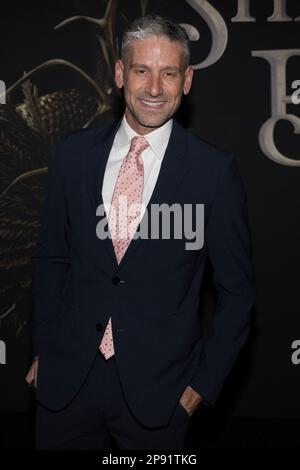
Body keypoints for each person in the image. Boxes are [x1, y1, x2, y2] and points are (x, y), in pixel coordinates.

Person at [26, 14, 256, 450]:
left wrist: (204, 385)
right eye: (141, 70)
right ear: (119, 74)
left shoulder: (213, 171)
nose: (154, 88)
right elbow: (52, 256)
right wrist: (42, 348)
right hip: (67, 384)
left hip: (160, 395)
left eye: (168, 73)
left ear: (186, 81)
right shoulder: (74, 154)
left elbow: (238, 291)